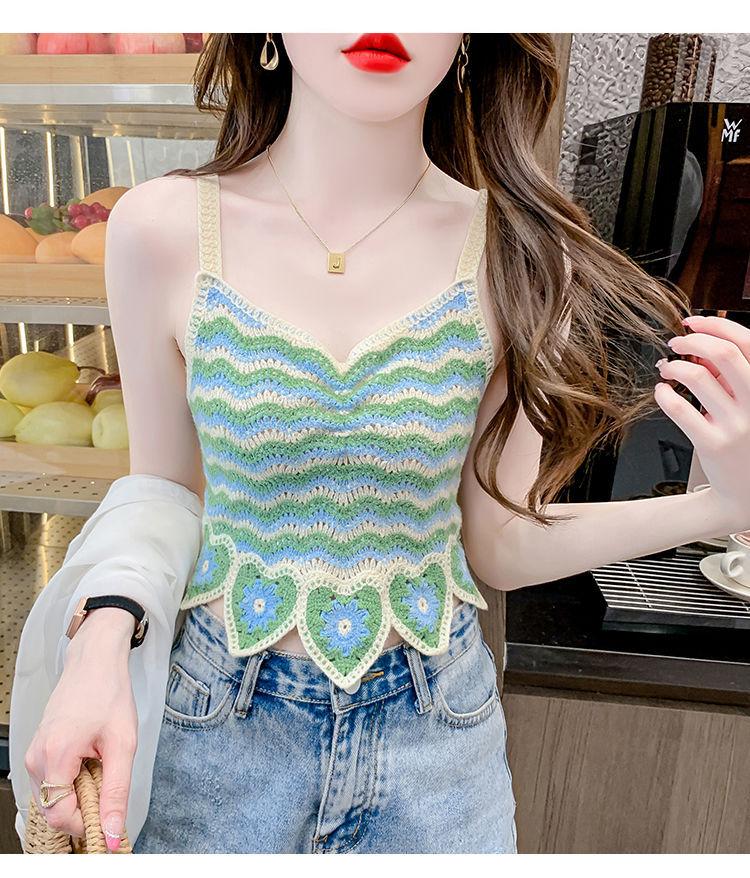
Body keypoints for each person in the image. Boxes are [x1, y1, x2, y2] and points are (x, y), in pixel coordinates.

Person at [16, 33, 750, 854]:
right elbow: (163, 494)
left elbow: (501, 544)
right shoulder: (162, 227)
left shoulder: (524, 251)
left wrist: (718, 505)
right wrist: (103, 632)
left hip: (436, 748)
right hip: (215, 729)